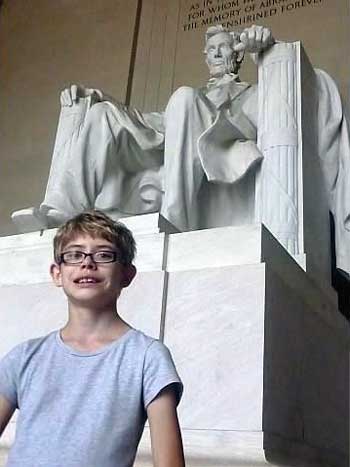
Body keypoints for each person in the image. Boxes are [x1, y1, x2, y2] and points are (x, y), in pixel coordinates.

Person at [11, 24, 274, 232]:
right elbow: (151, 122)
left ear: (237, 53)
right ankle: (63, 211)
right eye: (211, 49)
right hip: (170, 139)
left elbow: (261, 120)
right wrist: (102, 98)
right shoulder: (188, 99)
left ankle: (175, 219)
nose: (216, 54)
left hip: (220, 146)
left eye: (223, 47)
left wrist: (265, 50)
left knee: (184, 96)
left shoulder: (253, 92)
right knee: (102, 113)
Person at [0, 210, 185, 467]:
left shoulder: (147, 357)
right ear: (57, 273)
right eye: (74, 255)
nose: (87, 263)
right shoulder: (23, 357)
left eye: (104, 254)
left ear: (127, 275)